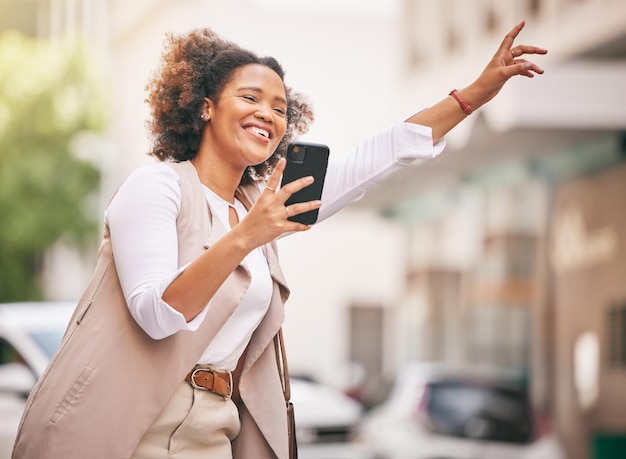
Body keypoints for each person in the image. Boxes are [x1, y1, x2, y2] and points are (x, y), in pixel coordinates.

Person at [12, 20, 546, 459]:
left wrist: (473, 94)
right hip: (129, 426)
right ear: (204, 106)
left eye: (279, 107)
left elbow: (380, 155)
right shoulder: (156, 188)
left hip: (215, 432)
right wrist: (245, 237)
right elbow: (156, 314)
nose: (267, 113)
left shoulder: (260, 206)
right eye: (250, 97)